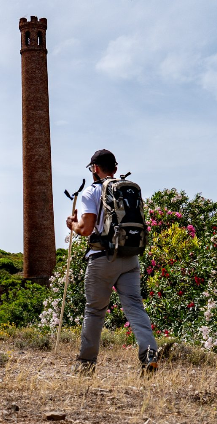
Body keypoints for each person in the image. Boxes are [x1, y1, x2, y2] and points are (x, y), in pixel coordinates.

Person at [65, 149, 158, 375]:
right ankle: (149, 356)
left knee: (95, 311)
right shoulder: (127, 190)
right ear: (115, 169)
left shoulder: (90, 192)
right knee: (135, 307)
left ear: (94, 169)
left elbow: (86, 229)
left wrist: (72, 224)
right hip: (130, 255)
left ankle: (86, 364)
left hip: (102, 258)